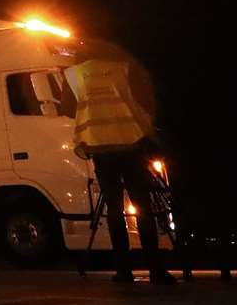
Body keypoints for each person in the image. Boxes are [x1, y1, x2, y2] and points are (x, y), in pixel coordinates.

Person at [65, 57, 175, 285]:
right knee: (143, 205)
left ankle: (123, 270)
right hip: (130, 144)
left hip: (101, 148)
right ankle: (155, 269)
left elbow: (72, 109)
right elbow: (138, 104)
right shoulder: (121, 67)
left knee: (114, 210)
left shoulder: (74, 74)